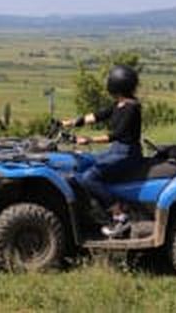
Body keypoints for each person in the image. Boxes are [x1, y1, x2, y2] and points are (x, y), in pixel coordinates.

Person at [63, 64, 142, 238]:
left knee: (89, 177)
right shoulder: (120, 104)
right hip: (117, 150)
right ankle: (94, 210)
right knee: (82, 163)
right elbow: (98, 115)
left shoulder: (131, 108)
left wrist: (88, 140)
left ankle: (119, 215)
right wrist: (71, 123)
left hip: (127, 154)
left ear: (115, 86)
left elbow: (117, 134)